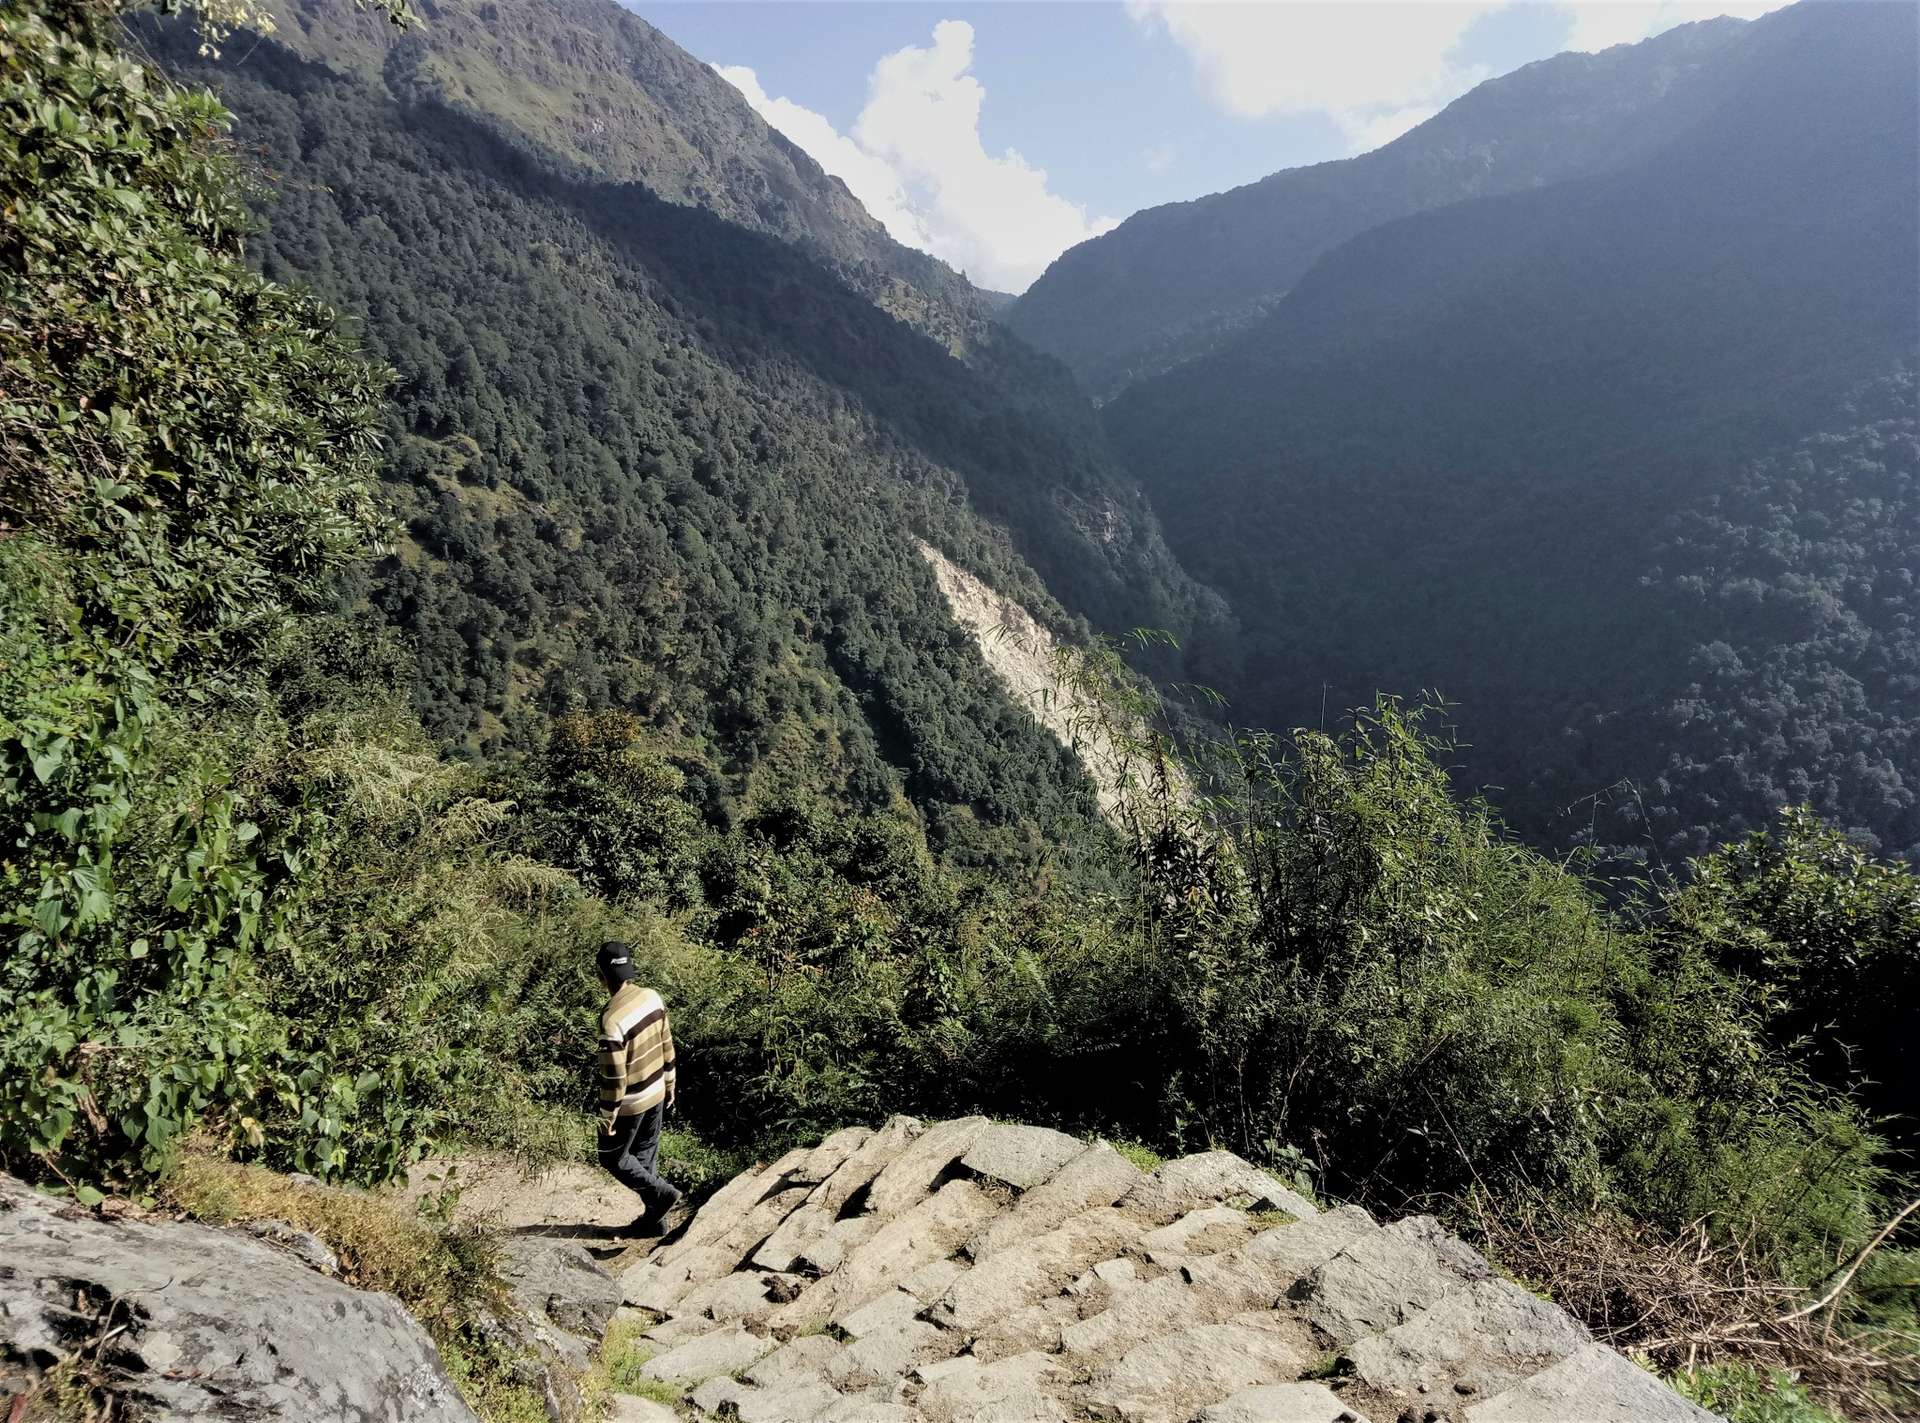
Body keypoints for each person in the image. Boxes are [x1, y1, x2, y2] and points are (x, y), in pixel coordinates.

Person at [594, 939, 681, 1235]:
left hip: (631, 1102)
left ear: (601, 976)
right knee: (644, 1156)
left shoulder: (611, 1020)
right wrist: (670, 1083)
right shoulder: (652, 997)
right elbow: (666, 1044)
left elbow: (614, 1078)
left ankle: (664, 1195)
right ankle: (654, 1223)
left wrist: (607, 1117)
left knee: (612, 1156)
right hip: (657, 1091)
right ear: (630, 971)